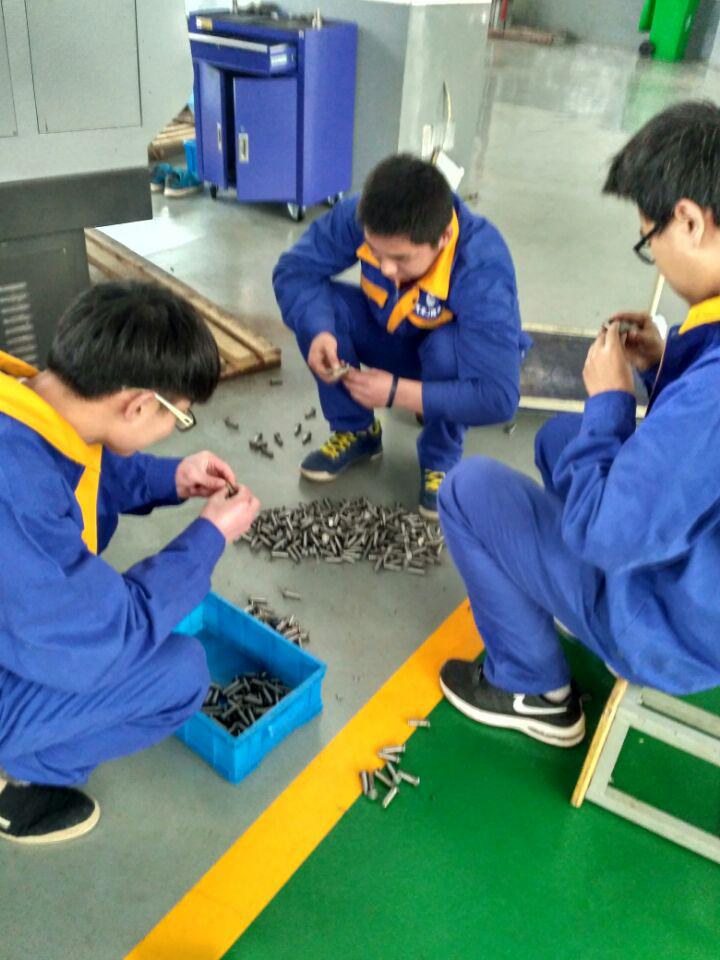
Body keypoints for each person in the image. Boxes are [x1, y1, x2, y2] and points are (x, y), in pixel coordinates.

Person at [438, 100, 720, 747]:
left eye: (649, 240)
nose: (654, 256)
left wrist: (610, 401)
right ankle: (573, 601)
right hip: (702, 574)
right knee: (558, 440)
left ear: (689, 220)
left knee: (468, 490)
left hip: (679, 626)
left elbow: (607, 532)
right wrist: (665, 360)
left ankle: (533, 689)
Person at [0, 282, 260, 844]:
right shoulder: (13, 491)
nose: (175, 429)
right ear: (139, 404)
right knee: (179, 674)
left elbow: (78, 463)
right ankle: (17, 780)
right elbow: (106, 633)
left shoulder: (28, 402)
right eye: (180, 418)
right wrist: (210, 537)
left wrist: (172, 478)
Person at [273, 154, 530, 519]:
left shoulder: (482, 267)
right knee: (322, 307)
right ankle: (356, 431)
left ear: (443, 238)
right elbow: (295, 271)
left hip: (446, 360)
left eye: (402, 258)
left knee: (445, 350)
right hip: (392, 334)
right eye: (375, 252)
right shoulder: (362, 217)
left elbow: (498, 397)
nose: (386, 267)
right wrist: (319, 332)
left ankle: (440, 458)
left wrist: (397, 393)